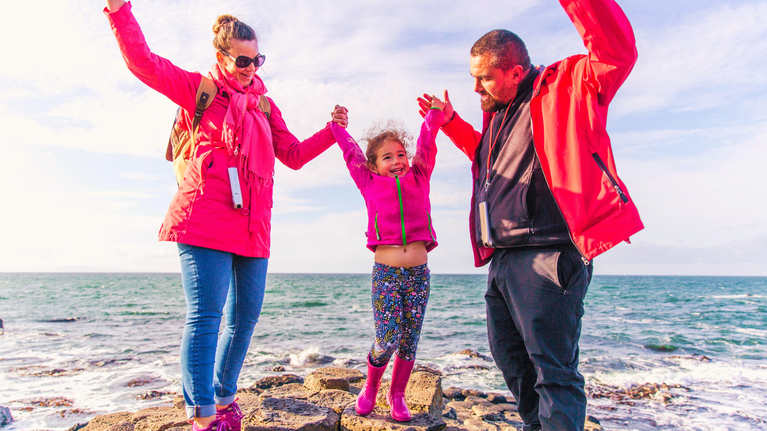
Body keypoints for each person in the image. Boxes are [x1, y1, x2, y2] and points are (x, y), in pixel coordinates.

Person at [103, 2, 348, 430]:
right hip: (204, 218)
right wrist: (118, 9)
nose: (249, 67)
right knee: (206, 318)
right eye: (241, 59)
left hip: (253, 223)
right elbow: (143, 63)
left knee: (246, 317)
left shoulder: (265, 107)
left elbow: (291, 155)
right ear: (222, 57)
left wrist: (332, 131)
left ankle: (224, 396)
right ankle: (201, 416)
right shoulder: (200, 90)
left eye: (257, 59)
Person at [417, 0, 643, 429]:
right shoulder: (498, 116)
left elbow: (617, 52)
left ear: (515, 72)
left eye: (483, 78)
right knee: (513, 364)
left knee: (553, 374)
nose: (476, 88)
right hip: (502, 258)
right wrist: (449, 122)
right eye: (473, 78)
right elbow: (489, 162)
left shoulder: (567, 85)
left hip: (549, 255)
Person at [329, 100, 444, 422]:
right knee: (387, 337)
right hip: (387, 274)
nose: (396, 161)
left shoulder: (419, 176)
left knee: (409, 340)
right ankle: (369, 388)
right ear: (374, 165)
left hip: (418, 274)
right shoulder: (368, 182)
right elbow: (350, 152)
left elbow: (426, 143)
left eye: (400, 155)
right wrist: (338, 127)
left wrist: (433, 116)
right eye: (387, 157)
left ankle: (397, 396)